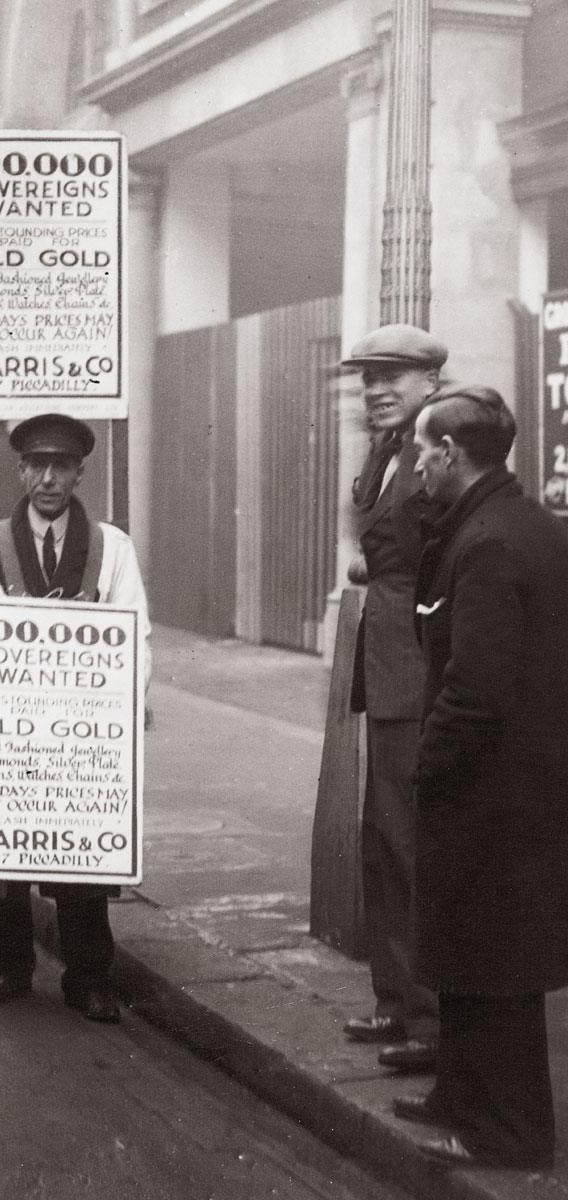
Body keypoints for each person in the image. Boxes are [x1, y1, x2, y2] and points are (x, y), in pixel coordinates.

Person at [0, 413, 150, 1023]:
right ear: (21, 469)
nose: (49, 479)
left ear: (80, 472)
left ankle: (88, 976)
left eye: (62, 467)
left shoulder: (111, 549)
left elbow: (137, 635)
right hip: (6, 722)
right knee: (4, 841)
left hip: (78, 730)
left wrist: (116, 686)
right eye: (37, 466)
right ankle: (11, 966)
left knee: (78, 846)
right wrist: (14, 643)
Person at [397, 384, 568, 1169]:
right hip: (519, 779)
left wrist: (427, 765)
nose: (415, 465)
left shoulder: (488, 542)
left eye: (422, 451)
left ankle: (508, 1132)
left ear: (452, 455)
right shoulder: (521, 523)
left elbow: (478, 686)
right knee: (470, 945)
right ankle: (460, 1101)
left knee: (494, 958)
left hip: (492, 786)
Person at [340, 324, 446, 1073]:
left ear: (430, 383)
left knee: (410, 842)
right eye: (370, 377)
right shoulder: (383, 452)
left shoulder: (435, 454)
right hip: (384, 659)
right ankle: (395, 1001)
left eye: (394, 377)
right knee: (382, 839)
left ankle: (430, 1021)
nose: (378, 389)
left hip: (416, 660)